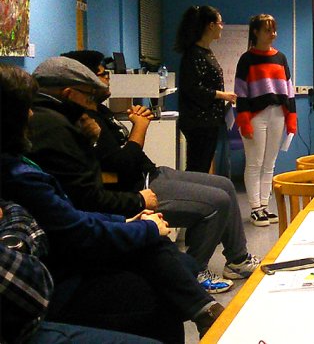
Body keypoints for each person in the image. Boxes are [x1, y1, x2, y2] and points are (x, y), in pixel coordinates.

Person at [0, 63, 225, 341]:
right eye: (26, 109)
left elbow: (72, 208)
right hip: (64, 271)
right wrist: (138, 216)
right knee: (203, 216)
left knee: (173, 254)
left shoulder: (63, 128)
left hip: (106, 212)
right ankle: (207, 310)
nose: (31, 114)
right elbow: (86, 205)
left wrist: (130, 222)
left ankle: (206, 310)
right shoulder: (36, 151)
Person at [60, 51, 260, 292]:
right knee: (217, 202)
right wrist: (140, 128)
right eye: (102, 75)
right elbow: (120, 166)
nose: (108, 79)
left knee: (225, 185)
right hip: (139, 186)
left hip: (151, 171)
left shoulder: (100, 112)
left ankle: (237, 259)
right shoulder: (84, 120)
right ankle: (193, 272)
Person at [0, 199, 160, 344]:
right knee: (153, 295)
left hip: (52, 267)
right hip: (43, 297)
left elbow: (12, 207)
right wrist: (140, 214)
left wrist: (129, 219)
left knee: (159, 265)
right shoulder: (18, 173)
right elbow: (35, 289)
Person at [234, 14, 297, 227]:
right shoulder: (247, 59)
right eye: (268, 30)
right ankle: (255, 208)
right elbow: (240, 92)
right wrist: (243, 120)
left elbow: (289, 89)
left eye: (274, 29)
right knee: (255, 162)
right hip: (255, 115)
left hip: (278, 112)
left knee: (270, 162)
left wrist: (292, 117)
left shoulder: (281, 58)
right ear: (256, 32)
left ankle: (264, 205)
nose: (273, 34)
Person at [174, 5, 237, 173]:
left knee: (202, 164)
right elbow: (192, 89)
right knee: (197, 166)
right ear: (210, 25)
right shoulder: (193, 54)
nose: (222, 26)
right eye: (220, 22)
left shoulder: (205, 52)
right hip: (199, 122)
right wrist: (222, 95)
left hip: (208, 121)